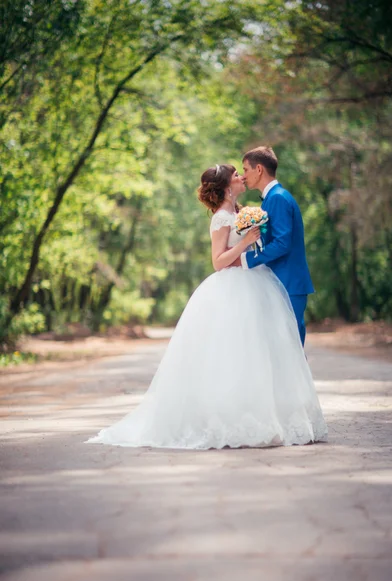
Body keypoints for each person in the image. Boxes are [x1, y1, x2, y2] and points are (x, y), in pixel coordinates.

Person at [87, 164, 327, 450]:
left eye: (242, 172)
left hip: (258, 284)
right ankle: (233, 420)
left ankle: (270, 416)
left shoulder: (241, 213)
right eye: (236, 175)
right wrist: (246, 243)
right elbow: (218, 261)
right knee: (234, 353)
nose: (241, 177)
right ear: (227, 187)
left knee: (260, 352)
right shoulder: (222, 218)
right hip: (234, 287)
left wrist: (255, 236)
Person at [242, 146, 314, 346]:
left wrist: (247, 259)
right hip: (281, 283)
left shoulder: (278, 198)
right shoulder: (272, 199)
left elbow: (282, 243)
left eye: (246, 169)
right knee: (284, 351)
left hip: (289, 283)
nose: (243, 176)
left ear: (259, 169)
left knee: (291, 349)